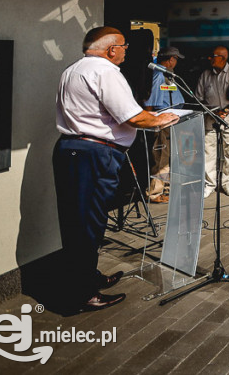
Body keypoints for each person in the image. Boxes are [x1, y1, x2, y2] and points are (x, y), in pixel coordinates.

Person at [54, 26, 178, 311]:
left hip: (73, 151)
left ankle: (87, 277)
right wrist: (161, 119)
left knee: (79, 221)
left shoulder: (73, 70)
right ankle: (83, 294)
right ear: (111, 49)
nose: (126, 51)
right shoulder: (106, 72)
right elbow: (132, 116)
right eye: (123, 46)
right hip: (93, 155)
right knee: (89, 225)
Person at [197, 46, 229, 197]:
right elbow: (199, 98)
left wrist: (226, 110)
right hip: (210, 116)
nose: (209, 59)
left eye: (213, 56)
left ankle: (228, 184)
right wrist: (210, 110)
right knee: (208, 151)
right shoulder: (205, 75)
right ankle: (209, 184)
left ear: (223, 58)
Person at [142, 45, 185, 203]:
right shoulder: (158, 75)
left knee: (168, 157)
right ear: (171, 60)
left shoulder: (167, 75)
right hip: (163, 121)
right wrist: (153, 121)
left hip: (172, 120)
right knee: (162, 158)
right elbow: (151, 100)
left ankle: (164, 189)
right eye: (175, 59)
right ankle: (154, 193)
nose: (176, 62)